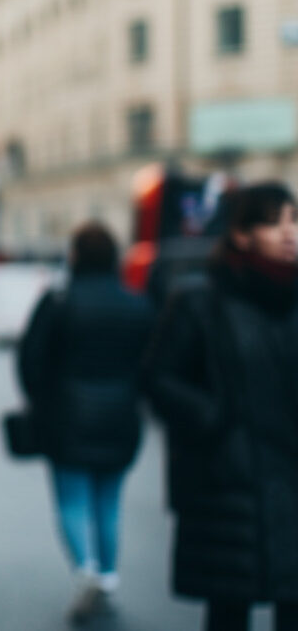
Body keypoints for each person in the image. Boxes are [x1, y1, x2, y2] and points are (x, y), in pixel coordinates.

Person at [144, 182, 298, 631]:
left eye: (294, 220)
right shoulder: (199, 303)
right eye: (273, 222)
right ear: (241, 233)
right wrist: (211, 420)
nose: (290, 233)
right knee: (229, 611)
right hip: (229, 487)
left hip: (293, 483)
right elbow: (158, 377)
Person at [17, 222, 152, 624]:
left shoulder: (59, 302)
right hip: (121, 416)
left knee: (72, 500)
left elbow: (31, 361)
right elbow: (151, 362)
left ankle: (86, 569)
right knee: (109, 502)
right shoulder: (137, 303)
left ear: (75, 255)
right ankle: (108, 577)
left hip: (66, 416)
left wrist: (40, 400)